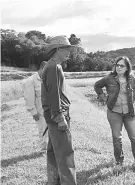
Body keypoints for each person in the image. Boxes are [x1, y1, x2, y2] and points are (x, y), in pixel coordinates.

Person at [94, 56, 135, 169]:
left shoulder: (132, 79)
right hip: (114, 112)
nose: (119, 67)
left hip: (130, 113)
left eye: (122, 65)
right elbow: (97, 85)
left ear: (127, 68)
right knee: (117, 138)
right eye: (117, 65)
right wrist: (103, 97)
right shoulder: (109, 78)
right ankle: (119, 162)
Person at [41, 35, 77, 185]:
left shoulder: (51, 66)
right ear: (57, 50)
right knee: (65, 154)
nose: (69, 51)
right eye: (66, 48)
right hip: (57, 117)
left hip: (52, 117)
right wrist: (60, 117)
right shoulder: (54, 67)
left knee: (53, 153)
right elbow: (53, 95)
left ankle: (53, 181)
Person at [23, 61, 48, 151]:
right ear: (42, 68)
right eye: (47, 70)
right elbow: (29, 99)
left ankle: (50, 148)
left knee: (50, 131)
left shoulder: (46, 79)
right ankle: (44, 149)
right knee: (42, 130)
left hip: (48, 111)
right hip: (39, 112)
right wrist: (34, 112)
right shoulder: (30, 81)